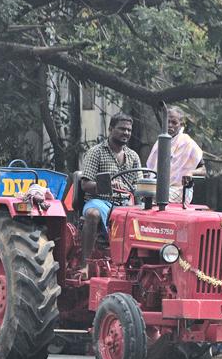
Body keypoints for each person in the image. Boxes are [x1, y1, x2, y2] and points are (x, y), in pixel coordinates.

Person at [79, 113, 141, 273]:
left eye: (129, 130)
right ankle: (84, 264)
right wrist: (106, 185)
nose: (126, 133)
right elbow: (85, 184)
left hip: (125, 205)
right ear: (111, 129)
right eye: (122, 129)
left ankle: (137, 268)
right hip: (99, 200)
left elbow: (139, 185)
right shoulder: (96, 152)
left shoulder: (133, 156)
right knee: (92, 214)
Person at [146, 106, 206, 202]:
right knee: (142, 193)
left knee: (157, 197)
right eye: (167, 122)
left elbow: (203, 170)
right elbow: (151, 169)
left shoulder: (187, 142)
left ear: (181, 124)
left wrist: (190, 173)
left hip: (180, 190)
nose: (170, 125)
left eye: (174, 123)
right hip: (158, 187)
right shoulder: (160, 142)